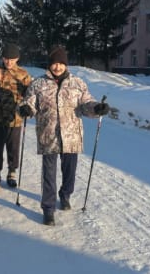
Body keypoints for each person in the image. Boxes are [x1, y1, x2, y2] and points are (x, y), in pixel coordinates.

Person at [19, 46, 110, 226]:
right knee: (49, 174)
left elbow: (86, 103)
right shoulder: (38, 84)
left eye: (61, 64)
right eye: (54, 64)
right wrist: (26, 109)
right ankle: (48, 209)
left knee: (69, 172)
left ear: (65, 65)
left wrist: (96, 108)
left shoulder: (78, 83)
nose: (57, 67)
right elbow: (29, 103)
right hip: (48, 134)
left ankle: (65, 194)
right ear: (50, 65)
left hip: (71, 135)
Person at [0, 42, 32, 188]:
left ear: (17, 59)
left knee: (13, 147)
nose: (8, 62)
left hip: (15, 117)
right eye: (6, 59)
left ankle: (12, 172)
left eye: (12, 59)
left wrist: (27, 108)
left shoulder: (23, 74)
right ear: (2, 58)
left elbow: (29, 94)